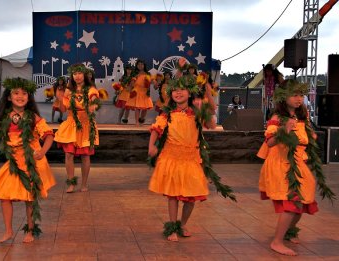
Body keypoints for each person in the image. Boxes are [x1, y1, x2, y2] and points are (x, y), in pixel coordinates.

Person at [148, 75, 236, 242]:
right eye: (175, 89)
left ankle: (182, 223)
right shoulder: (168, 113)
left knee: (191, 196)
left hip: (191, 159)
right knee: (173, 195)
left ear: (190, 93)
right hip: (172, 157)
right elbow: (156, 129)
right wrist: (151, 146)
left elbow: (210, 125)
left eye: (182, 89)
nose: (178, 92)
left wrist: (203, 108)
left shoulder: (195, 112)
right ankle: (172, 227)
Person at [257, 79, 335, 256]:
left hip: (298, 163)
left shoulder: (303, 116)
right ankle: (276, 242)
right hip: (280, 164)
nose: (299, 98)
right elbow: (269, 142)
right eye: (294, 95)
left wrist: (310, 135)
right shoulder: (277, 118)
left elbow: (305, 137)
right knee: (292, 202)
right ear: (284, 97)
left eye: (301, 95)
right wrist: (284, 129)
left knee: (304, 200)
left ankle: (288, 231)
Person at [0, 77, 56, 243]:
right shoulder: (4, 117)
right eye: (16, 93)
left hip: (31, 161)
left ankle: (30, 231)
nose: (20, 96)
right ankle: (8, 231)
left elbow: (49, 135)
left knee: (29, 197)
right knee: (4, 196)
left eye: (24, 93)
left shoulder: (33, 117)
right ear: (9, 97)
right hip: (14, 162)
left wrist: (43, 151)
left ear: (29, 98)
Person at [54, 64, 100, 193]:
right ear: (72, 76)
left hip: (85, 125)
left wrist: (93, 105)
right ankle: (71, 183)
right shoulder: (69, 91)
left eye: (79, 73)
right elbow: (63, 109)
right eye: (74, 74)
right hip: (71, 124)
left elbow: (94, 99)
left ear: (84, 75)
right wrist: (60, 98)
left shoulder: (90, 89)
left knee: (85, 156)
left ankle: (84, 184)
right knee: (69, 154)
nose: (77, 76)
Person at [125, 60, 153, 125]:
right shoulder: (134, 74)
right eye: (139, 64)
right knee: (137, 107)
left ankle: (141, 118)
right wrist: (132, 82)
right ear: (137, 66)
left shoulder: (147, 74)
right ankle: (136, 122)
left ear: (144, 65)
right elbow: (131, 84)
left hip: (145, 92)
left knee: (145, 108)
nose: (140, 66)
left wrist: (155, 83)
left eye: (142, 64)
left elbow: (152, 81)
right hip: (137, 92)